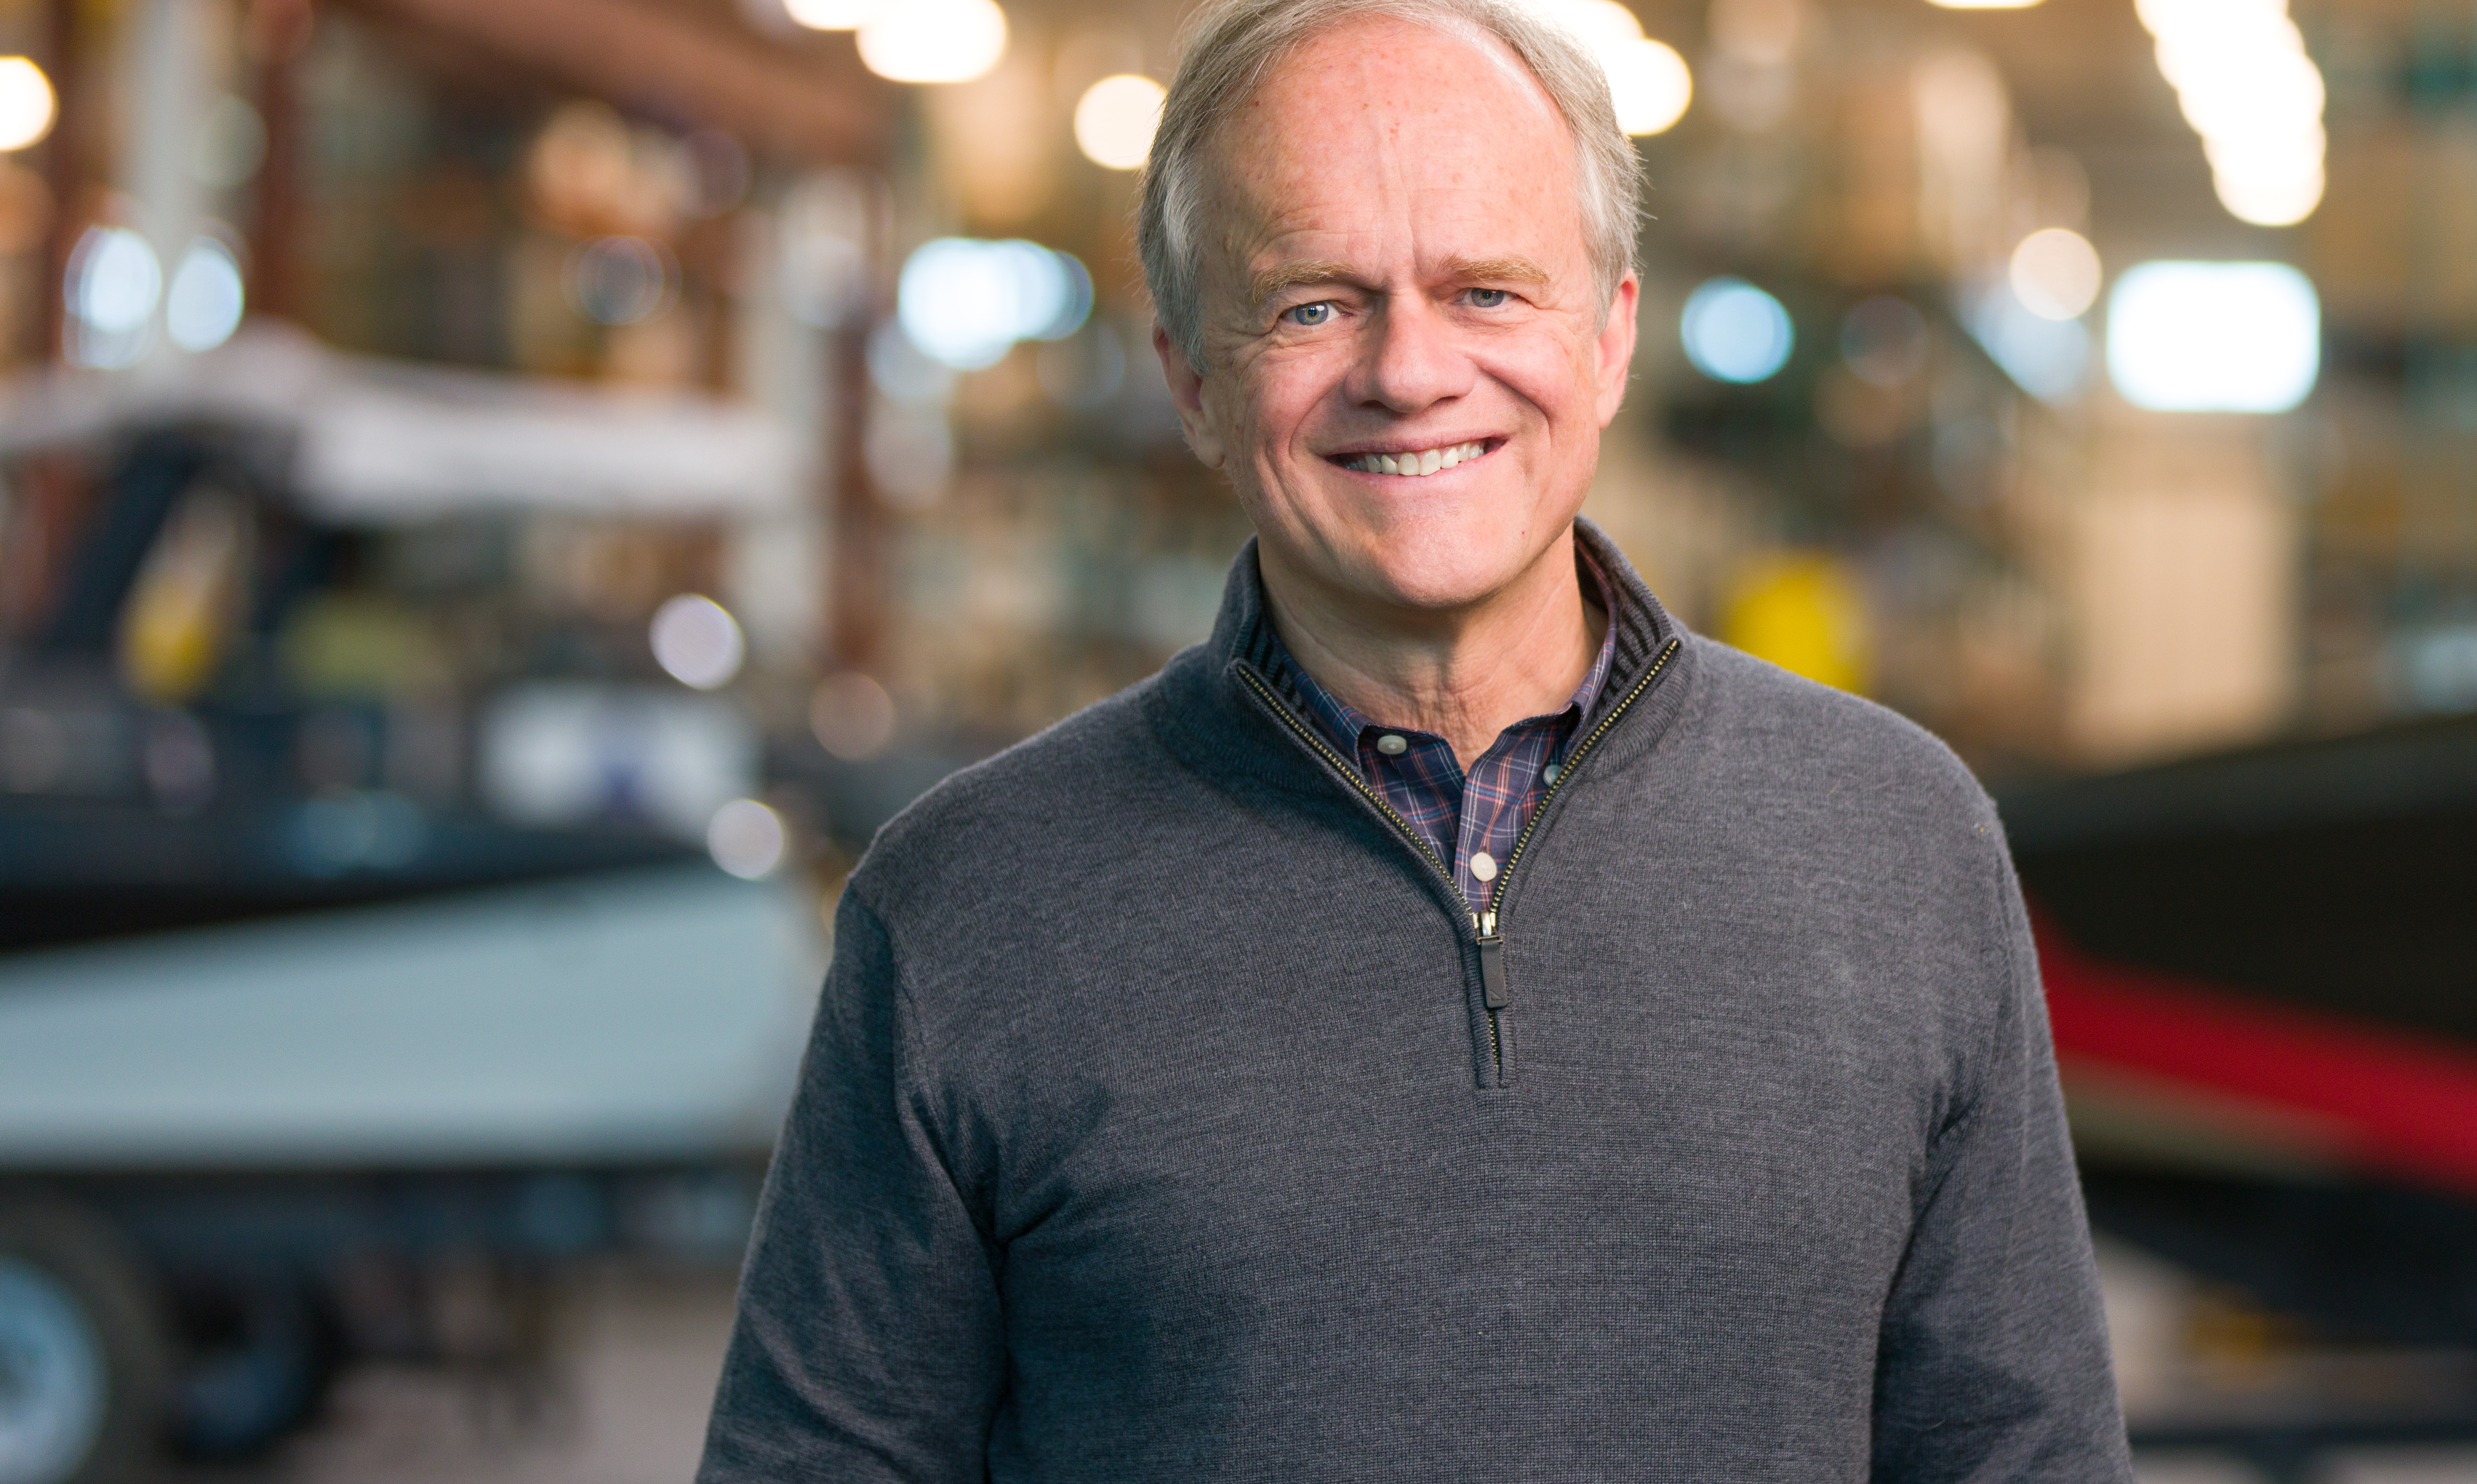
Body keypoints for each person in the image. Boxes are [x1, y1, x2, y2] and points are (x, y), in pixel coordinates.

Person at [695, 0, 2132, 1475]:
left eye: (1487, 293)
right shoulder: (969, 906)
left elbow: (2022, 1459)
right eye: (1313, 303)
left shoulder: (1891, 841)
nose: (1409, 371)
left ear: (1608, 336)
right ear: (1192, 375)